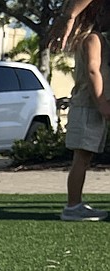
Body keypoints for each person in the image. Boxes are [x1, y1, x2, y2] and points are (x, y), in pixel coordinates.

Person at [60, 2, 110, 221]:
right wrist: (102, 103)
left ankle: (75, 204)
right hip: (87, 106)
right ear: (99, 14)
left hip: (92, 106)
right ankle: (73, 206)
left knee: (85, 156)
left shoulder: (101, 39)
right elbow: (93, 70)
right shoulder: (93, 39)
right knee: (81, 157)